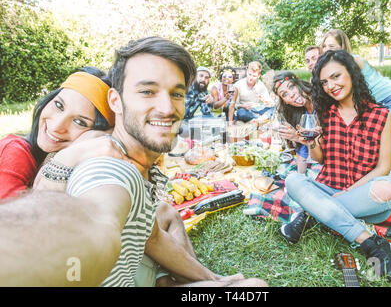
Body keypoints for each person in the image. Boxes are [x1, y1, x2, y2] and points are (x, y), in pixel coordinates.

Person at [34, 37, 268, 287]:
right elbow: (104, 206)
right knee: (254, 288)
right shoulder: (109, 167)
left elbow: (153, 237)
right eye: (147, 92)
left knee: (167, 216)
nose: (167, 108)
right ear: (115, 101)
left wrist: (216, 280)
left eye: (177, 93)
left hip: (137, 271)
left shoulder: (135, 158)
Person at [281, 50, 391, 278]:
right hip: (330, 186)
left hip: (367, 195)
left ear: (351, 72)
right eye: (324, 82)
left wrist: (349, 192)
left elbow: (384, 167)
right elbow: (321, 159)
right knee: (293, 180)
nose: (330, 85)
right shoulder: (325, 113)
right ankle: (370, 244)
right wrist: (308, 142)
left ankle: (314, 212)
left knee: (387, 188)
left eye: (336, 76)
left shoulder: (381, 115)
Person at [0, 66, 113, 200]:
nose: (56, 126)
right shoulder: (15, 152)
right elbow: (12, 218)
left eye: (79, 122)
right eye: (59, 105)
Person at [272, 71, 315, 173]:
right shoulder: (301, 114)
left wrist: (297, 137)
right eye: (285, 94)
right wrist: (300, 177)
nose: (291, 94)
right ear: (285, 102)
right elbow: (303, 150)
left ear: (298, 83)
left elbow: (324, 150)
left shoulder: (321, 103)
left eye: (291, 87)